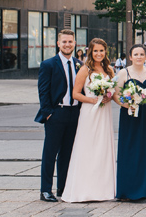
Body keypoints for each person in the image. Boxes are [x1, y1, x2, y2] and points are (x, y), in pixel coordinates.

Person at [62, 38, 117, 202]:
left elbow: (114, 93)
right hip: (90, 112)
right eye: (95, 51)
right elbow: (75, 94)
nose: (99, 54)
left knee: (102, 149)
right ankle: (84, 189)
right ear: (90, 52)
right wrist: (93, 100)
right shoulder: (85, 70)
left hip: (105, 113)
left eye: (101, 50)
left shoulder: (109, 70)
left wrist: (124, 101)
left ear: (105, 52)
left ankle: (103, 190)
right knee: (88, 148)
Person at [35, 30, 81, 202]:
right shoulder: (48, 65)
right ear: (58, 44)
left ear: (75, 43)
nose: (67, 44)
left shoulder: (80, 64)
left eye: (70, 41)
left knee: (67, 153)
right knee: (50, 153)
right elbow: (43, 91)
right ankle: (45, 190)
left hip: (74, 113)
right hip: (57, 113)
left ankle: (63, 187)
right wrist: (48, 113)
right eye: (64, 42)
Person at [112, 44, 146, 200]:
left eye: (142, 54)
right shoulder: (123, 72)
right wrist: (125, 103)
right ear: (130, 57)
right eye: (136, 54)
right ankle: (128, 189)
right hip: (130, 115)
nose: (139, 57)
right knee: (130, 149)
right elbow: (116, 95)